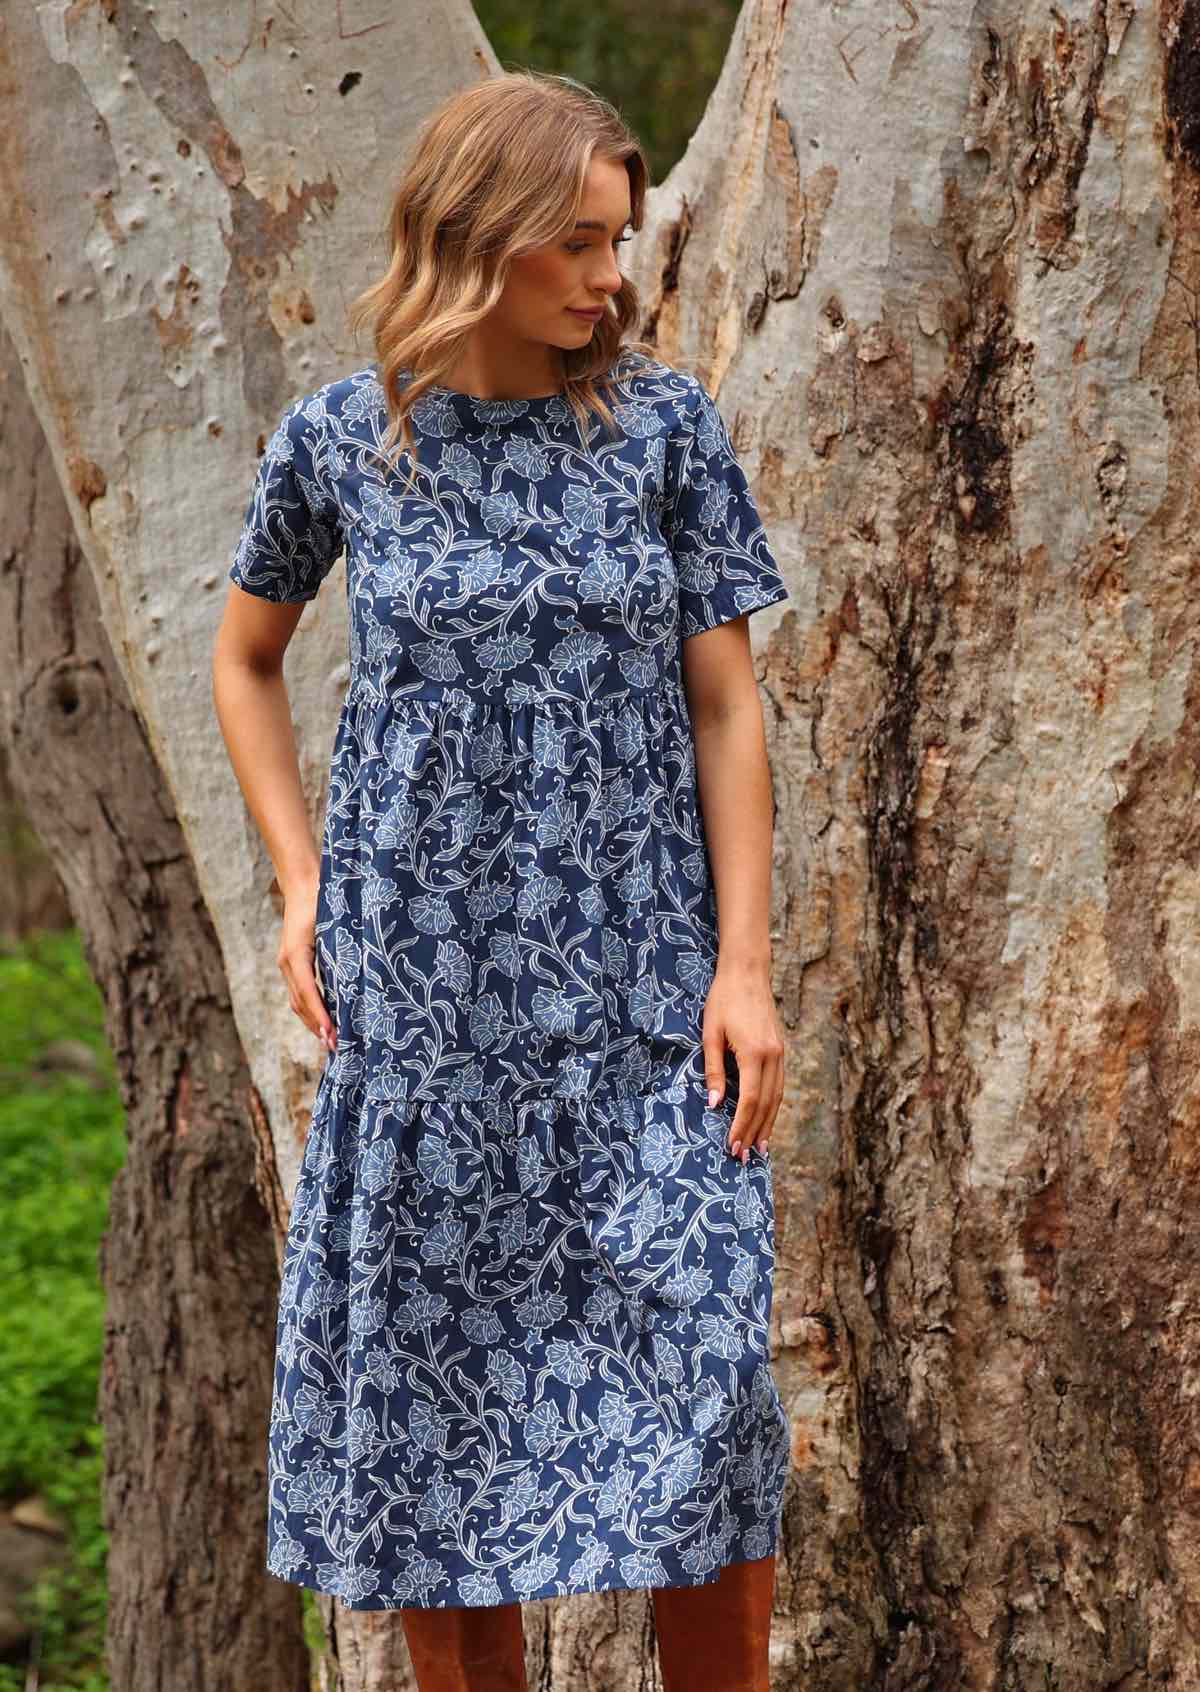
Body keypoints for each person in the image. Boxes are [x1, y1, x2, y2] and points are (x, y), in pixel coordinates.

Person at [212, 67, 790, 1692]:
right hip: (427, 1010)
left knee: (702, 1404)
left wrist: (742, 970)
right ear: (483, 238)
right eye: (586, 243)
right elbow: (244, 663)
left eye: (620, 240)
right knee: (431, 1431)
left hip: (642, 1001)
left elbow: (728, 702)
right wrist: (300, 879)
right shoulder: (342, 440)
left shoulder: (663, 428)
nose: (616, 277)